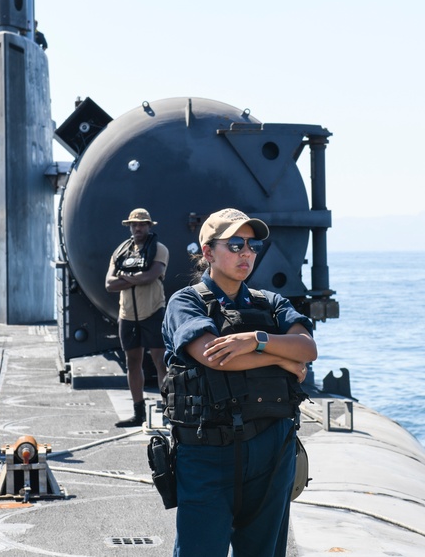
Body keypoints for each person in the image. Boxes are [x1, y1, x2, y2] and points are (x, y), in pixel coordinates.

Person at [162, 208, 317, 557]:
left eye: (252, 245)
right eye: (234, 244)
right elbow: (213, 356)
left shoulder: (271, 303)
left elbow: (307, 348)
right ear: (208, 252)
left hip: (271, 450)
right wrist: (280, 356)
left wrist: (257, 340)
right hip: (207, 453)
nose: (245, 252)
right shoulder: (186, 303)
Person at [105, 208, 170, 427]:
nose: (137, 228)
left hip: (153, 312)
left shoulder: (159, 250)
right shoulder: (121, 251)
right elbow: (109, 284)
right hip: (128, 315)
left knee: (160, 361)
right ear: (129, 227)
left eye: (142, 224)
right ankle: (138, 412)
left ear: (149, 226)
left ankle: (168, 409)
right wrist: (136, 278)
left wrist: (126, 277)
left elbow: (151, 276)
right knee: (133, 362)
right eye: (134, 224)